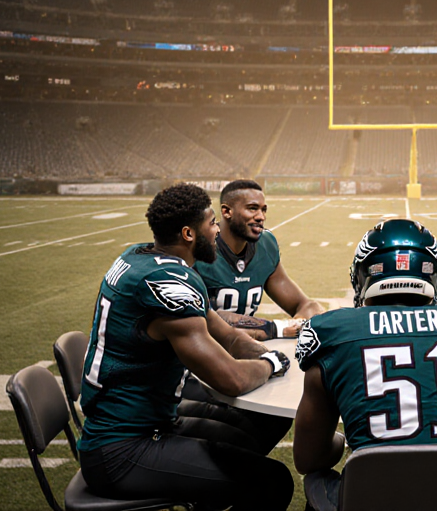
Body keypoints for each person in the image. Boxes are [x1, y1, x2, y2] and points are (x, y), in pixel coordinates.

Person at [76, 183, 294, 511]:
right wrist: (271, 366)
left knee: (247, 441)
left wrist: (273, 354)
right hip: (123, 447)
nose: (217, 229)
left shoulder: (142, 256)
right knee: (273, 480)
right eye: (211, 223)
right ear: (190, 234)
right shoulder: (166, 284)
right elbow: (231, 379)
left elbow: (229, 336)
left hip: (147, 422)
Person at [292, 219, 437, 511]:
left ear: (363, 275)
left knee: (318, 478)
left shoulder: (330, 332)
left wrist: (347, 440)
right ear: (435, 275)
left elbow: (309, 458)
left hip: (373, 496)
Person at [194, 179, 324, 340]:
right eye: (252, 209)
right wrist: (276, 328)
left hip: (241, 353)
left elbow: (306, 305)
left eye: (263, 210)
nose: (260, 217)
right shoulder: (198, 249)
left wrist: (302, 323)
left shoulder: (266, 244)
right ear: (227, 211)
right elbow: (205, 319)